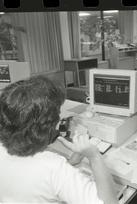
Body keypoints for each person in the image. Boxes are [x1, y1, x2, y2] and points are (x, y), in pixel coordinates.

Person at [0, 76, 118, 204]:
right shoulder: (53, 167)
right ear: (49, 125)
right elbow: (110, 202)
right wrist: (94, 156)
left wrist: (70, 163)